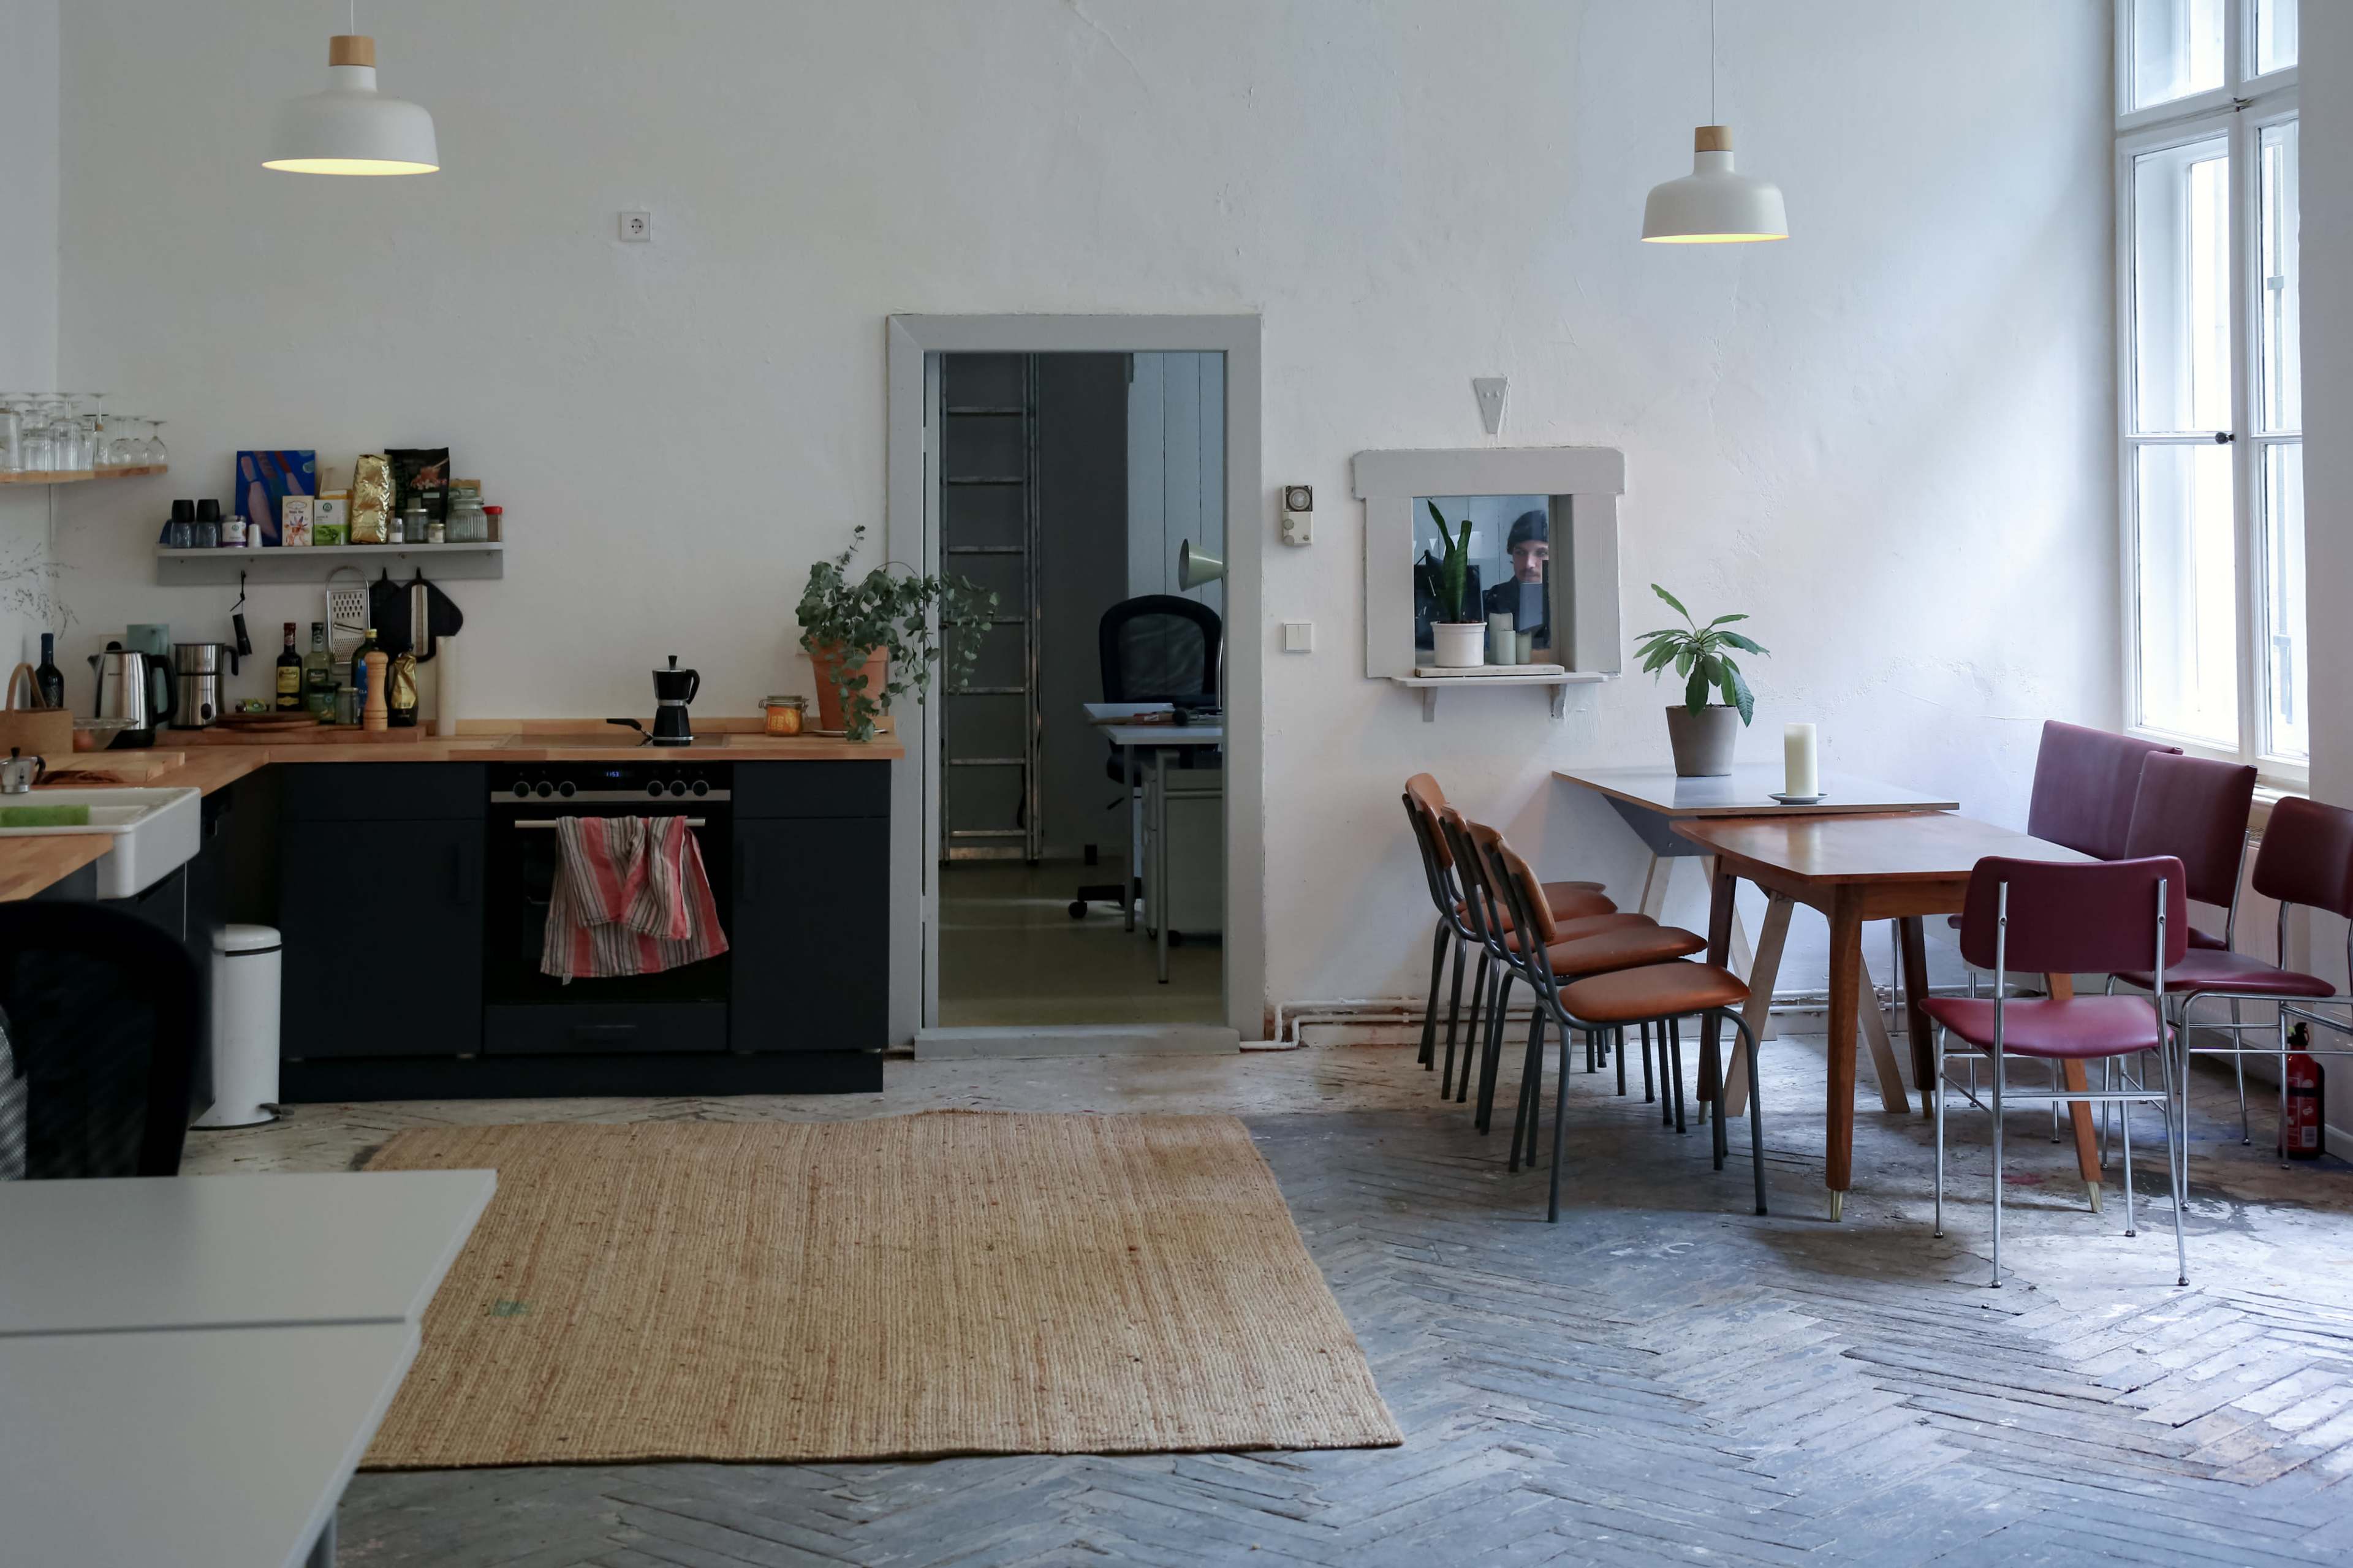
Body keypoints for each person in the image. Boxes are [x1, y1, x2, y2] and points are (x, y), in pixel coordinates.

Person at [1480, 509, 1550, 638]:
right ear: (1512, 553)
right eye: (1521, 553)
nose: (1529, 564)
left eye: (1541, 553)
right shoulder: (1489, 602)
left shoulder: (1567, 603)